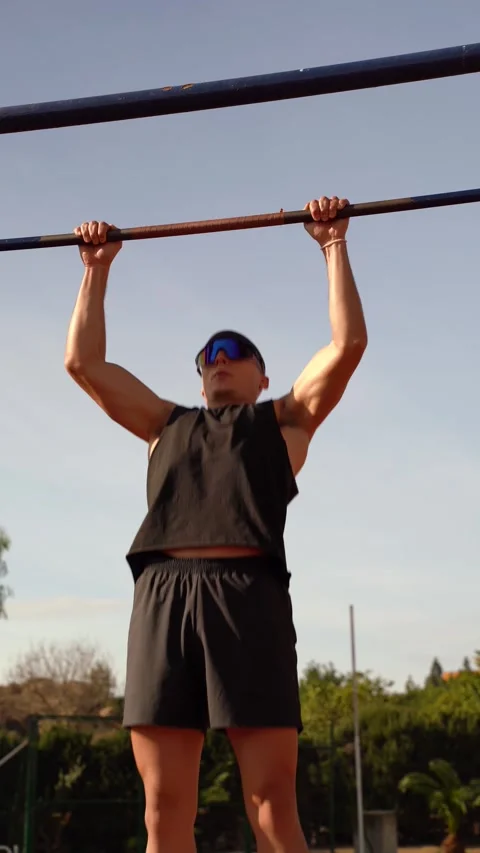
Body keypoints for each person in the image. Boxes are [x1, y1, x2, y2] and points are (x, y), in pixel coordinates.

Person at [64, 194, 367, 853]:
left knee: (269, 807)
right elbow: (84, 364)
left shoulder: (283, 421)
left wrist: (332, 244)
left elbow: (347, 345)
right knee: (164, 809)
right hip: (162, 599)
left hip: (246, 597)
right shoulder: (162, 424)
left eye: (234, 351)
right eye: (207, 355)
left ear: (263, 375)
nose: (218, 359)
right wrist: (96, 267)